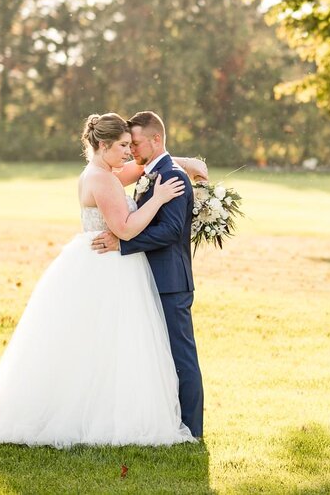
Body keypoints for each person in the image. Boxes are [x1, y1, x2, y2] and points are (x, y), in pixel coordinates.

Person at [0, 113, 200, 447]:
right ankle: (96, 415)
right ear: (103, 145)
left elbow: (145, 167)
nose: (129, 153)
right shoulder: (101, 180)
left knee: (102, 344)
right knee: (103, 343)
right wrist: (157, 199)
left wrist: (182, 160)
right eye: (123, 146)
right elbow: (126, 229)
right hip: (105, 266)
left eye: (132, 145)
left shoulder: (104, 172)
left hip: (103, 264)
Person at [92, 111, 205, 439]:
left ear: (156, 140)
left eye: (137, 143)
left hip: (171, 282)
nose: (132, 150)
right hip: (148, 279)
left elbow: (170, 231)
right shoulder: (152, 173)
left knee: (180, 355)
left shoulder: (171, 177)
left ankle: (192, 429)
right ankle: (167, 420)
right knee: (157, 354)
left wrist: (122, 244)